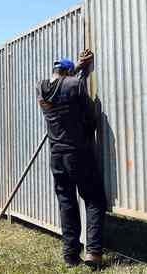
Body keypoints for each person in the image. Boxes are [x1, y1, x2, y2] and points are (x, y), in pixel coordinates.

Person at [36, 49, 106, 270]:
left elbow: (62, 82)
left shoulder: (41, 87)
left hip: (56, 155)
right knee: (94, 199)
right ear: (68, 71)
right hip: (78, 153)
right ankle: (93, 253)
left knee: (67, 203)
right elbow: (91, 116)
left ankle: (70, 255)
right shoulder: (75, 85)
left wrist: (76, 66)